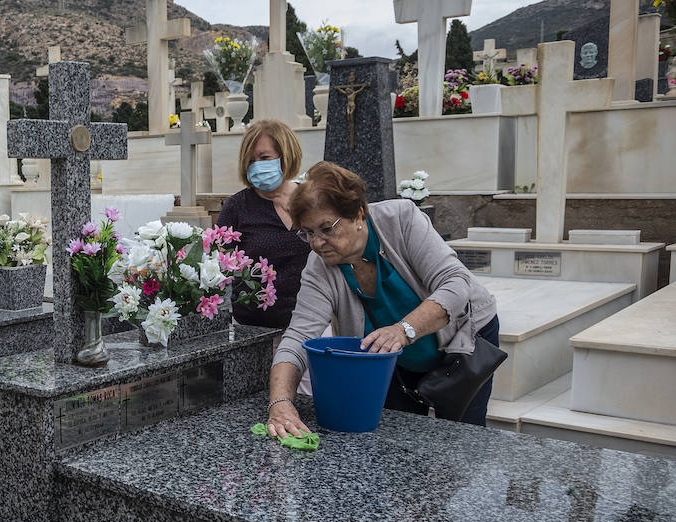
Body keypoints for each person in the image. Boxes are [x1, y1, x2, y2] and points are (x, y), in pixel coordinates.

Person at [266, 162, 500, 436]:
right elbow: (298, 337)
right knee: (397, 438)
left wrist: (403, 330)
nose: (317, 243)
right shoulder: (319, 268)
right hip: (395, 360)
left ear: (358, 214)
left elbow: (456, 284)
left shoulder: (401, 219)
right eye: (308, 233)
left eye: (326, 229)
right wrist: (280, 403)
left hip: (462, 341)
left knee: (463, 436)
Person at [214, 119, 311, 329]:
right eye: (251, 161)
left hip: (312, 323)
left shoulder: (312, 200)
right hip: (254, 328)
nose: (257, 166)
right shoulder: (237, 207)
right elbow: (216, 266)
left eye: (264, 157)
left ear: (286, 155)